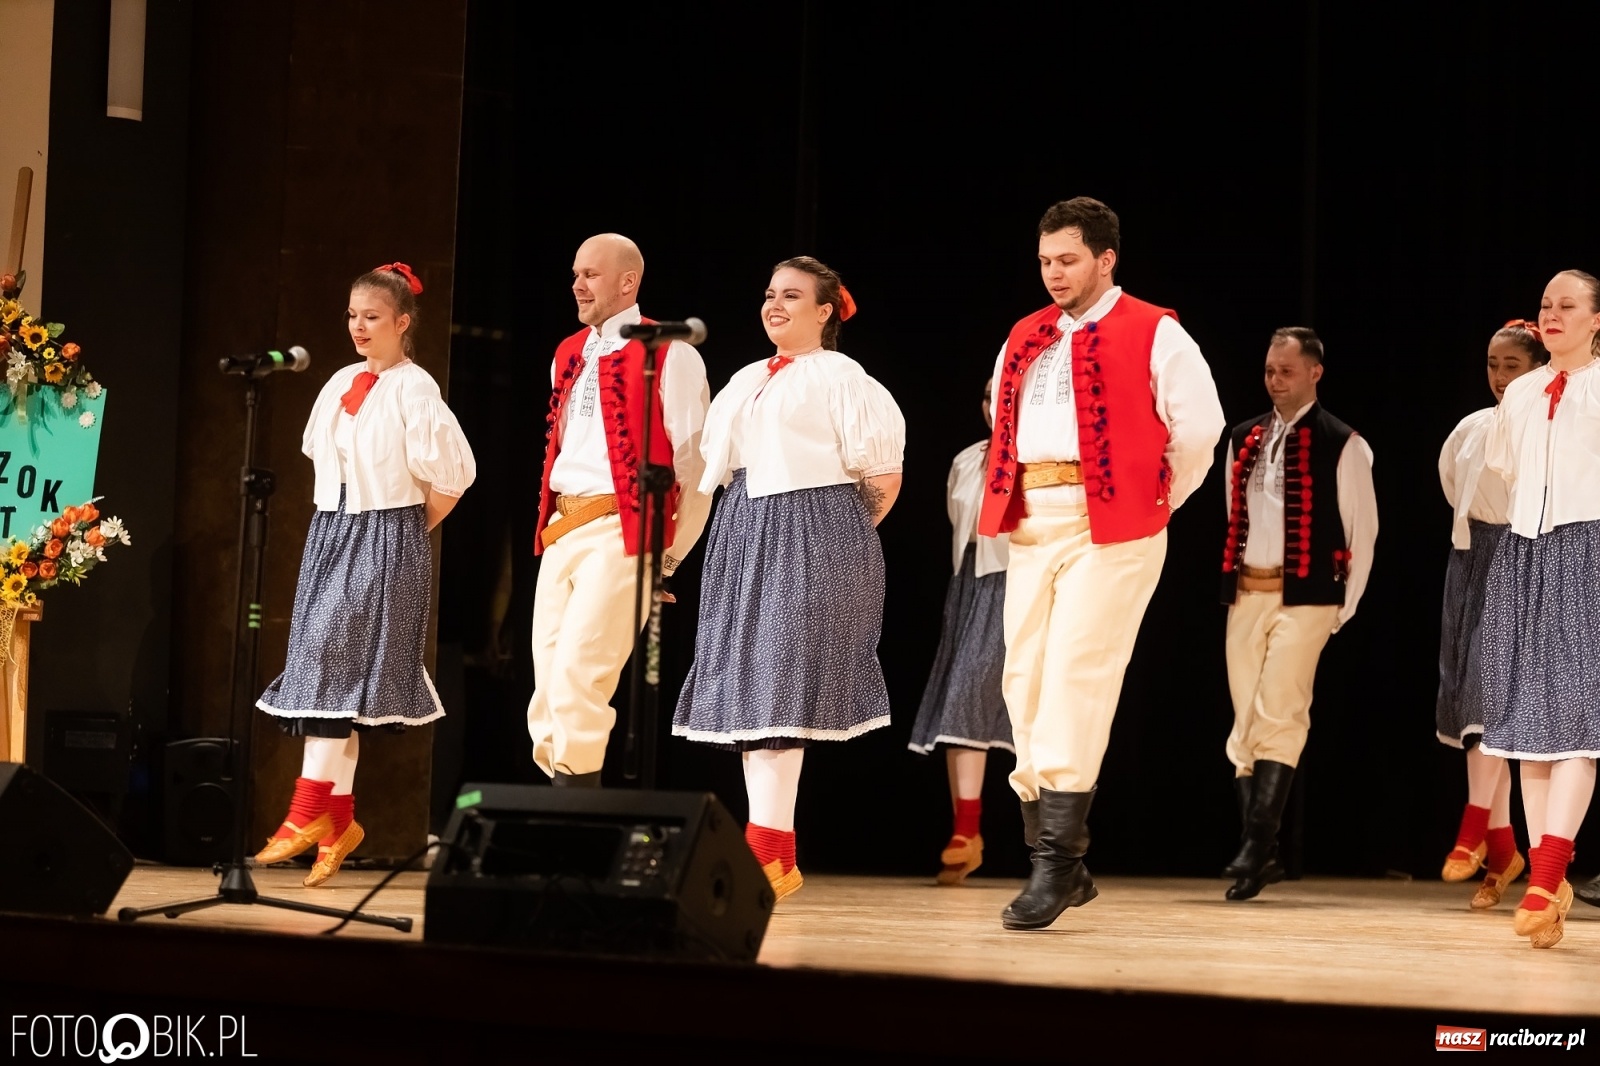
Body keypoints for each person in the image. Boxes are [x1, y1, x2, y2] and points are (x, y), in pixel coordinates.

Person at [979, 197, 1225, 930]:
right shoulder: (1027, 332)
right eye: (1046, 261)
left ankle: (1052, 863)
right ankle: (1060, 859)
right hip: (1034, 518)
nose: (1055, 274)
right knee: (1021, 678)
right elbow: (1001, 415)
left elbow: (1200, 429)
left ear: (1106, 258)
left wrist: (1156, 503)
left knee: (1077, 673)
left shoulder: (1155, 330)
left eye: (1069, 260)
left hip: (1110, 523)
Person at [674, 256, 905, 902]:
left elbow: (883, 478)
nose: (774, 305)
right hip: (743, 530)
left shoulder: (842, 377)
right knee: (752, 690)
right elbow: (714, 471)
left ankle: (766, 849)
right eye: (770, 294)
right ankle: (776, 852)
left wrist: (834, 541)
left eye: (793, 296)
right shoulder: (746, 378)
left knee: (780, 683)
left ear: (826, 311)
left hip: (813, 531)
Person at [255, 262, 476, 886]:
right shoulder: (341, 381)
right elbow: (321, 460)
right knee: (328, 674)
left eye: (371, 317)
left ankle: (304, 815)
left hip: (386, 535)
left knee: (331, 666)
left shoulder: (415, 388)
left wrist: (404, 533)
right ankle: (340, 819)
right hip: (333, 532)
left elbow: (453, 477)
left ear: (402, 323)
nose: (358, 326)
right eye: (353, 315)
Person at [527, 234, 711, 786]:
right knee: (547, 681)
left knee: (584, 673)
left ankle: (575, 815)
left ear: (628, 282)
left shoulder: (669, 351)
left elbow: (693, 463)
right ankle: (562, 803)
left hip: (621, 528)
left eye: (592, 274)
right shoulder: (568, 351)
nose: (578, 284)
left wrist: (670, 554)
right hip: (564, 527)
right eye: (576, 274)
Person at [1217, 327, 1377, 901]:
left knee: (1280, 709)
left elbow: (1364, 532)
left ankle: (1256, 846)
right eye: (1269, 371)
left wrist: (1340, 609)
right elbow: (1235, 516)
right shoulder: (1244, 437)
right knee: (1245, 724)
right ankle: (1264, 854)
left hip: (1307, 597)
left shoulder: (1343, 442)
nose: (1276, 381)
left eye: (1287, 371)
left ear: (1315, 373)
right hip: (1249, 593)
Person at [1479, 269, 1600, 948]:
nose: (1553, 315)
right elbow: (1511, 472)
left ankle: (1546, 869)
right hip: (1526, 552)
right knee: (1527, 727)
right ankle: (1548, 885)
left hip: (1590, 548)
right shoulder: (1522, 392)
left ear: (1596, 319)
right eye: (1546, 306)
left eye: (1568, 306)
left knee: (1581, 718)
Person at [1435, 320, 1546, 909]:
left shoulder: (1547, 430)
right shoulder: (1472, 427)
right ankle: (1503, 851)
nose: (1500, 377)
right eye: (1493, 365)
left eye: (1513, 366)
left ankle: (1477, 822)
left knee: (1491, 694)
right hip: (1471, 556)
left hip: (1522, 556)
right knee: (1466, 698)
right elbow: (1454, 484)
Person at [907, 378, 1012, 885]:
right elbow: (959, 525)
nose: (996, 406)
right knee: (961, 696)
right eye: (990, 396)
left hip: (1018, 583)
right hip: (970, 583)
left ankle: (1049, 838)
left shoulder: (1042, 459)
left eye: (1006, 396)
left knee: (1000, 700)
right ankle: (965, 832)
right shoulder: (968, 459)